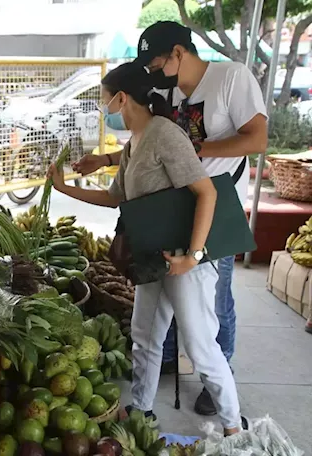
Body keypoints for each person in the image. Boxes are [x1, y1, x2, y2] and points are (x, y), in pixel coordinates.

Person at [74, 21, 267, 416]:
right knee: (150, 331)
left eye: (157, 61)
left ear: (179, 53)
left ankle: (224, 402)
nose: (154, 71)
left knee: (208, 324)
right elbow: (142, 150)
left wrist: (191, 146)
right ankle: (144, 402)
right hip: (165, 224)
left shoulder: (231, 78)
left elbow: (257, 139)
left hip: (210, 214)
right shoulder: (167, 92)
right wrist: (107, 161)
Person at [50, 62, 244, 435]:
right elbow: (115, 197)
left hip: (184, 257)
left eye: (107, 100)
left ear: (123, 98)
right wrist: (65, 189)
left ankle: (234, 427)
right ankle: (141, 408)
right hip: (152, 257)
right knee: (145, 335)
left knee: (201, 347)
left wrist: (194, 257)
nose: (105, 108)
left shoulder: (165, 135)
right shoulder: (135, 142)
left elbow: (205, 192)